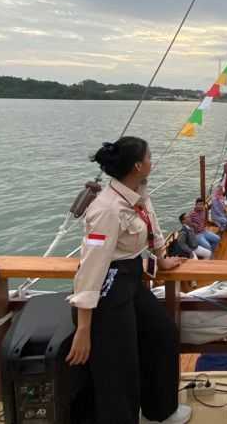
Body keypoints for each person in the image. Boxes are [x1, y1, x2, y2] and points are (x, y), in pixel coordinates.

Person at [66, 137, 191, 424]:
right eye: (149, 156)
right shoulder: (106, 209)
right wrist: (84, 327)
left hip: (133, 277)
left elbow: (152, 223)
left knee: (163, 334)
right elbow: (91, 267)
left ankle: (159, 411)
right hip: (109, 286)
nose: (152, 159)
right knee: (119, 366)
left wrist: (161, 257)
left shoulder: (137, 191)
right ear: (137, 165)